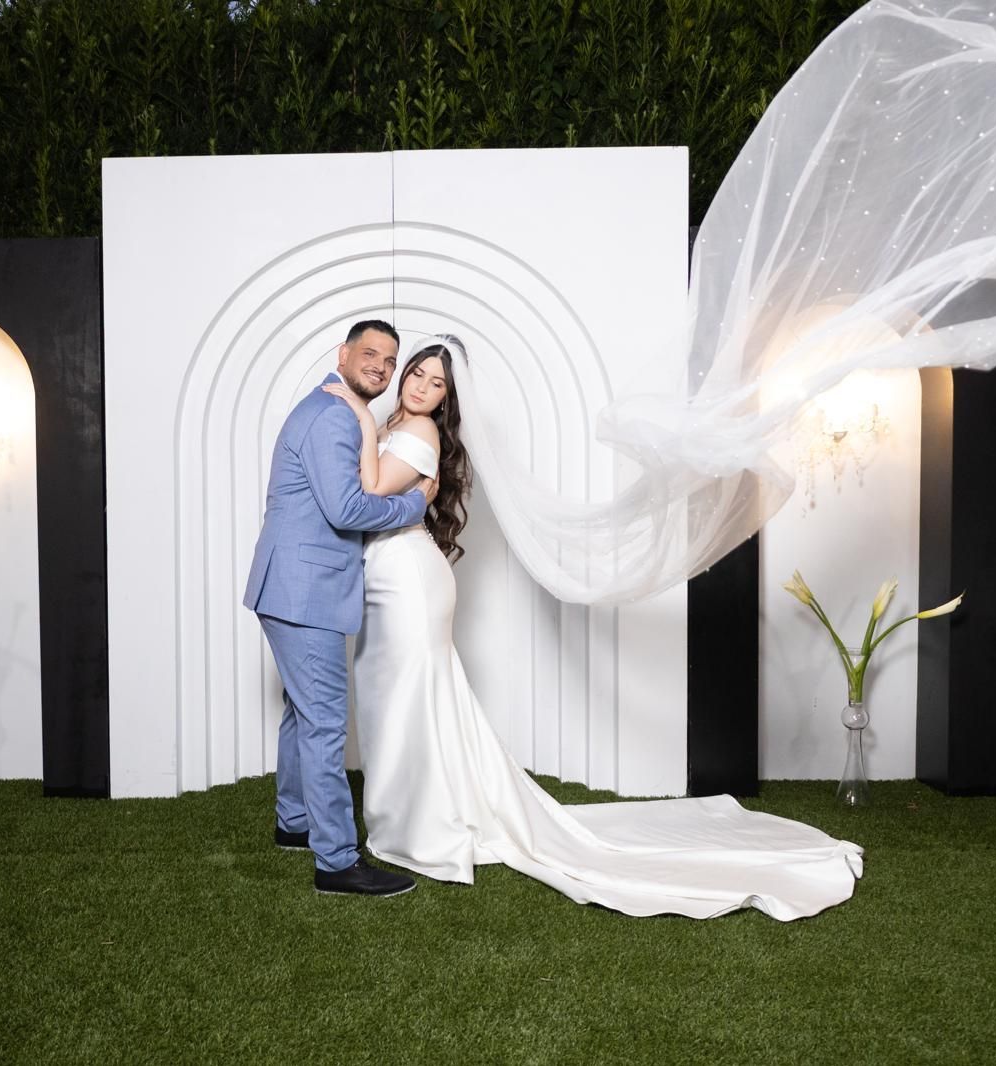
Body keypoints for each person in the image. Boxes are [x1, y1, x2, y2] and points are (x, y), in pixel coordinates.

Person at [323, 334, 864, 920]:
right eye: (417, 375)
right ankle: (407, 811)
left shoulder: (420, 432)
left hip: (408, 579)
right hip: (389, 577)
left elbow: (372, 488)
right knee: (392, 697)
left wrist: (354, 411)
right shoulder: (397, 425)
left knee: (407, 698)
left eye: (437, 382)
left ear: (449, 397)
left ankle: (416, 825)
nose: (421, 387)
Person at [243, 319, 437, 897]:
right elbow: (347, 509)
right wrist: (412, 505)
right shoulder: (332, 415)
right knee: (325, 722)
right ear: (343, 354)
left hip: (290, 586)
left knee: (302, 712)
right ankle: (336, 862)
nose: (380, 365)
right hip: (306, 592)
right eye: (370, 353)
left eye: (389, 358)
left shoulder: (336, 409)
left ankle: (294, 822)